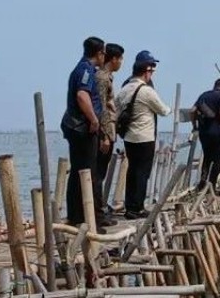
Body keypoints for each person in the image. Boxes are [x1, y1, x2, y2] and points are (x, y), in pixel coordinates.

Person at [60, 36, 115, 227]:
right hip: (81, 127)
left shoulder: (86, 69)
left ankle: (78, 216)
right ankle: (87, 218)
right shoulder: (85, 70)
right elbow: (82, 95)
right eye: (104, 53)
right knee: (87, 172)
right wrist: (93, 119)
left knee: (79, 172)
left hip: (79, 126)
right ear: (99, 53)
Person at [114, 51, 171, 219]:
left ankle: (130, 205)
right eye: (152, 70)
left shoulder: (124, 89)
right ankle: (137, 207)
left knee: (132, 171)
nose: (152, 74)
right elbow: (163, 110)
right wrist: (171, 109)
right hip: (145, 137)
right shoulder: (146, 91)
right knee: (142, 173)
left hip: (129, 137)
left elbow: (116, 109)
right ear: (146, 71)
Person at [94, 42, 124, 216]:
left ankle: (99, 209)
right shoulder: (103, 78)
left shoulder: (107, 77)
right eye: (120, 59)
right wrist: (105, 136)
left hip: (109, 129)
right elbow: (102, 109)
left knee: (100, 174)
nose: (121, 63)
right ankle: (97, 212)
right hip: (104, 131)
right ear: (113, 59)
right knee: (98, 174)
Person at [192, 78, 220, 194]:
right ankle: (211, 185)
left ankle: (202, 182)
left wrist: (195, 126)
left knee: (207, 157)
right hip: (216, 131)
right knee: (218, 159)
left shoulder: (203, 95)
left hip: (204, 132)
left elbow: (192, 111)